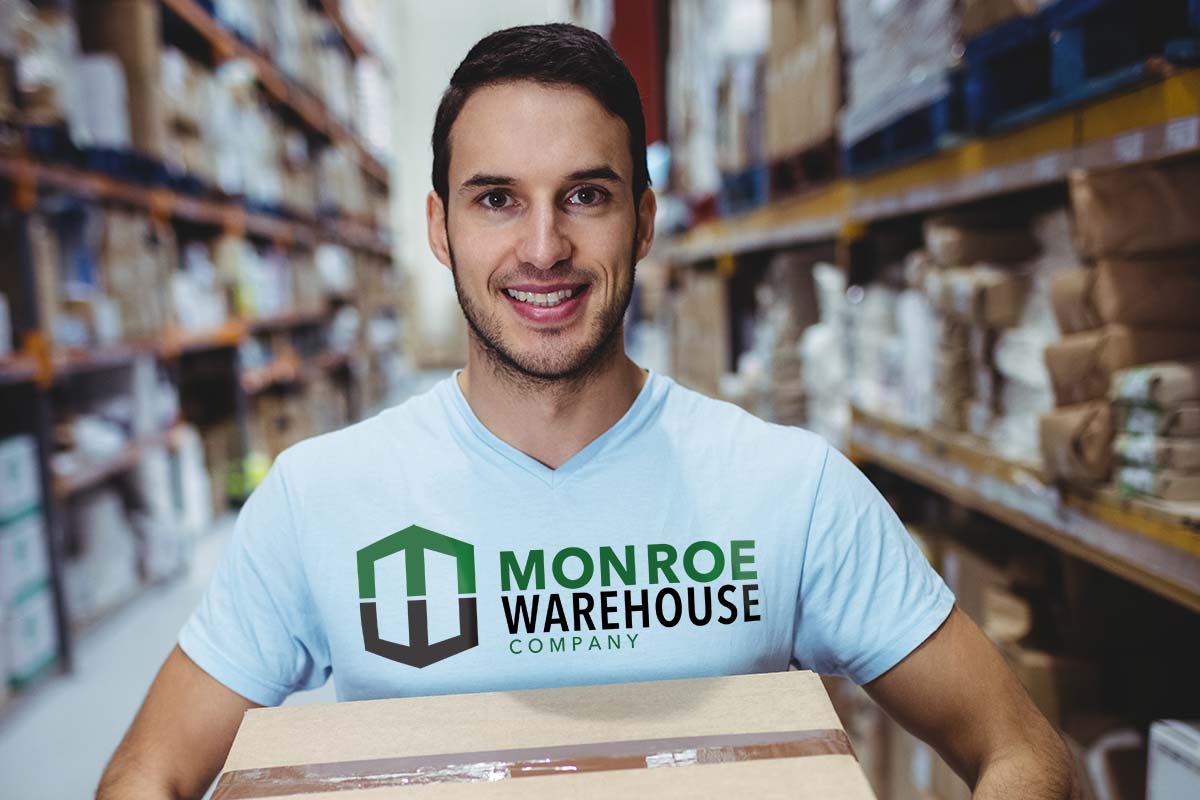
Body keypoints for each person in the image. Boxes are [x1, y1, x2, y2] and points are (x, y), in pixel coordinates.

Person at [98, 23, 1077, 799]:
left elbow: (1024, 752)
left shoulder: (789, 486)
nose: (543, 246)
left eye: (586, 194)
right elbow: (148, 771)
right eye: (495, 199)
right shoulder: (323, 498)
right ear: (439, 226)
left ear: (644, 219)